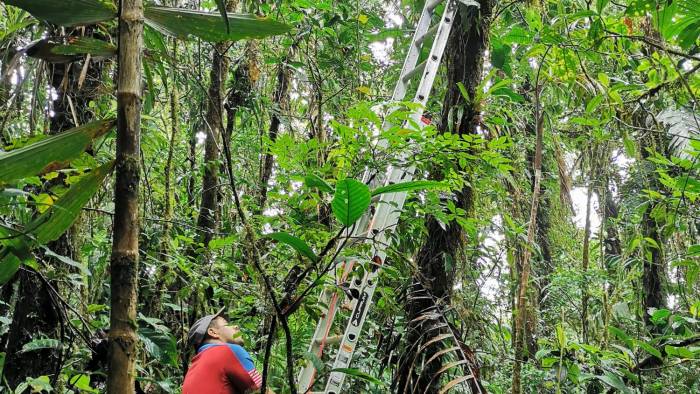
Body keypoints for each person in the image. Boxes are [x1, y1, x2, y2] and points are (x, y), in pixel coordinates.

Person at [183, 307, 264, 394]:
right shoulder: (229, 351)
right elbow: (260, 389)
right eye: (227, 324)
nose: (236, 326)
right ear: (213, 332)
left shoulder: (191, 369)